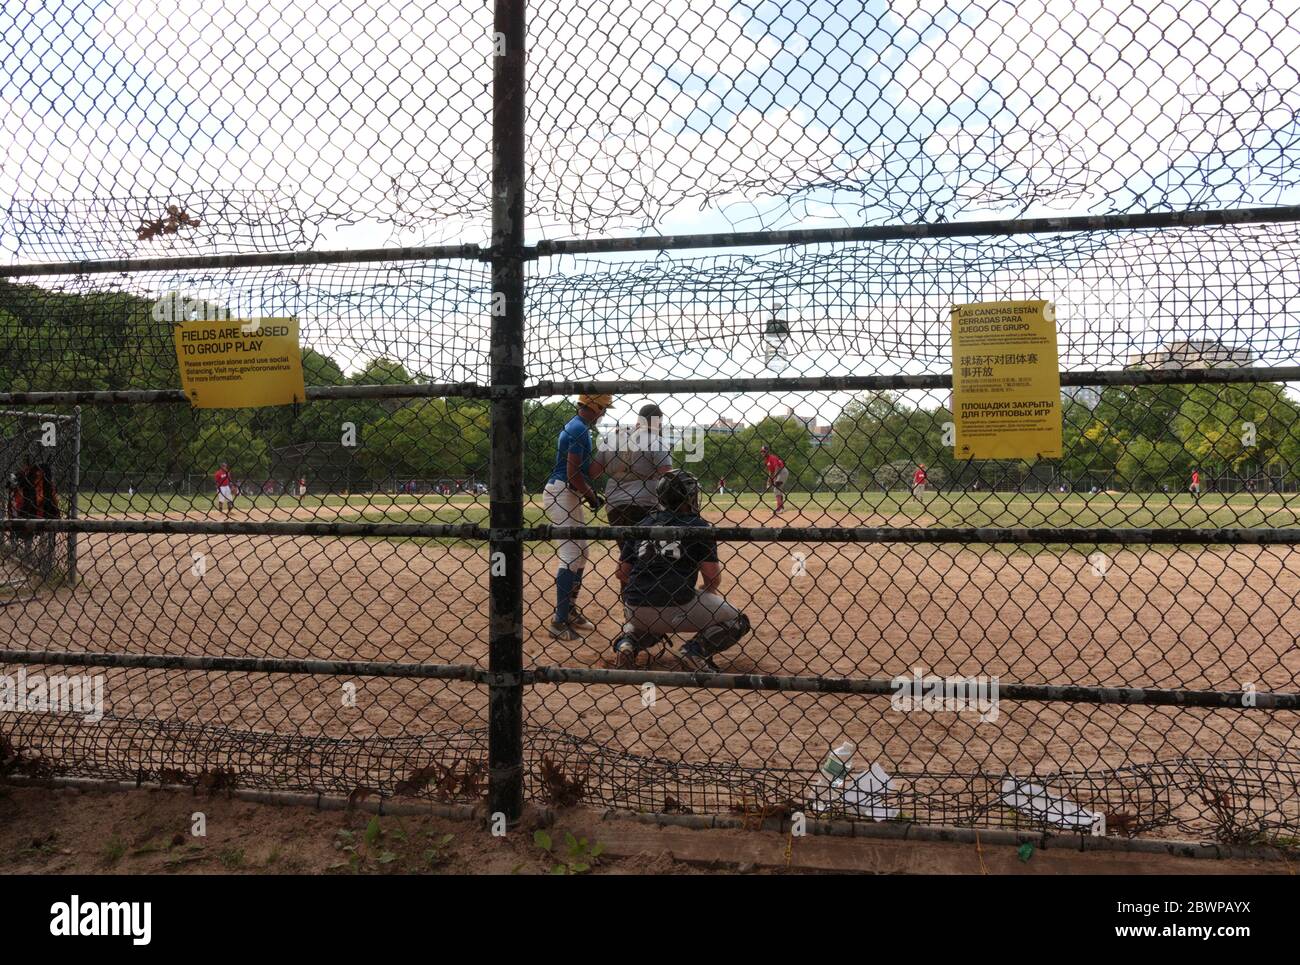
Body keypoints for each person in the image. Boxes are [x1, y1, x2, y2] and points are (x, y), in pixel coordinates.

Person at [612, 469, 752, 670]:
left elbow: (621, 573)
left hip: (635, 608)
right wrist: (702, 591)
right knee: (738, 621)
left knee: (651, 621)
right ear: (689, 498)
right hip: (677, 603)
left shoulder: (643, 523)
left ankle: (627, 644)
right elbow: (712, 578)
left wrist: (647, 586)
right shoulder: (698, 525)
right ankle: (695, 651)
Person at [543, 393, 611, 640]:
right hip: (561, 491)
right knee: (571, 554)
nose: (604, 413)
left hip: (567, 492)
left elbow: (588, 470)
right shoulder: (578, 429)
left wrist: (607, 454)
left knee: (582, 552)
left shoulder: (580, 428)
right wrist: (592, 496)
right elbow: (573, 474)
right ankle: (559, 622)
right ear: (593, 406)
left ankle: (569, 610)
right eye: (603, 408)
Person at [760, 444, 788, 513]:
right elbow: (770, 471)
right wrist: (768, 481)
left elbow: (777, 468)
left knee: (776, 489)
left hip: (782, 472)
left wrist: (774, 478)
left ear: (767, 451)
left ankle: (779, 509)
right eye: (762, 451)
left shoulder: (772, 457)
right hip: (779, 473)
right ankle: (781, 507)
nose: (762, 453)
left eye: (764, 451)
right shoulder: (767, 460)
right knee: (778, 489)